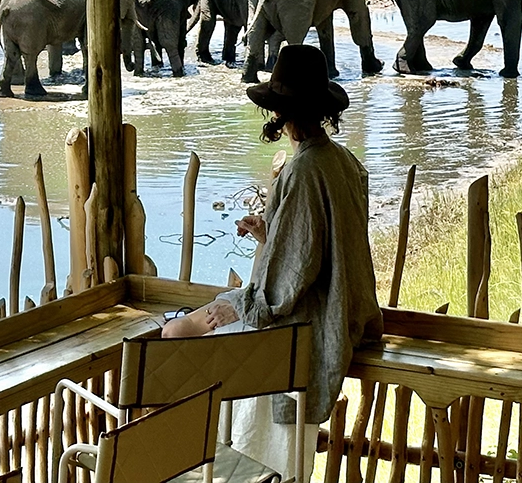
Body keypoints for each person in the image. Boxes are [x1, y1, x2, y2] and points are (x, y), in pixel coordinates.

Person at [162, 44, 384, 477]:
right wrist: (270, 234)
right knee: (197, 321)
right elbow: (325, 244)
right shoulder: (343, 161)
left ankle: (225, 465)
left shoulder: (303, 172)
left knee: (176, 333)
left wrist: (241, 306)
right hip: (338, 310)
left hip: (306, 324)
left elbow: (284, 288)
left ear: (280, 113)